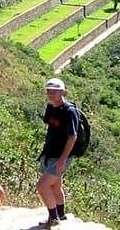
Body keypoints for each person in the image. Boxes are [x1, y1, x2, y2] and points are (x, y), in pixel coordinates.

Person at [37, 78, 79, 228]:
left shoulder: (69, 111)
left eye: (54, 91)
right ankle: (61, 215)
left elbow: (73, 136)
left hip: (61, 157)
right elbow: (49, 125)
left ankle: (53, 218)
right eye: (48, 91)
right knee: (55, 185)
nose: (50, 94)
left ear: (62, 92)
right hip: (50, 154)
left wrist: (62, 159)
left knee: (42, 186)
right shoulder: (51, 107)